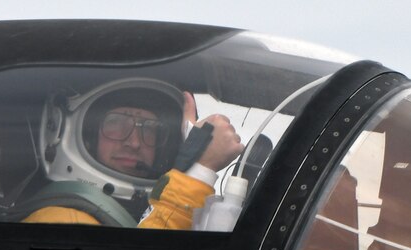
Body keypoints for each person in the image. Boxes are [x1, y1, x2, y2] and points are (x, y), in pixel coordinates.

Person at [20, 81, 243, 229]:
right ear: (86, 134)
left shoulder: (144, 213)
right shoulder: (62, 220)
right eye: (116, 122)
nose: (134, 142)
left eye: (149, 128)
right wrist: (199, 172)